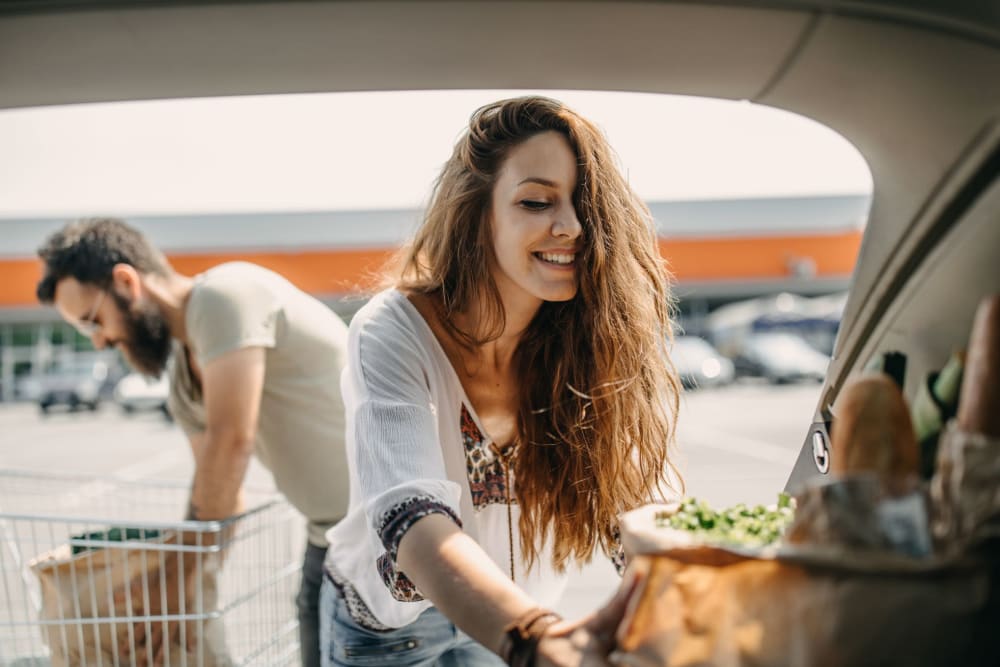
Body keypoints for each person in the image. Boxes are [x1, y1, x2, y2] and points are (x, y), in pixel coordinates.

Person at [320, 96, 682, 667]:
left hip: (516, 620)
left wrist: (698, 593)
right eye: (537, 201)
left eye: (584, 205)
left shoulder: (590, 342)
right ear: (478, 212)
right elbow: (410, 521)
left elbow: (636, 507)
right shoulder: (392, 329)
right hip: (392, 634)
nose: (571, 227)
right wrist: (537, 637)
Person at [36, 219, 349, 667]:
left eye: (92, 322)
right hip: (329, 545)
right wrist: (185, 603)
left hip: (395, 535)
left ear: (126, 281)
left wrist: (171, 585)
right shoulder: (183, 387)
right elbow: (222, 496)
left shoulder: (223, 297)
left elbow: (230, 446)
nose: (101, 340)